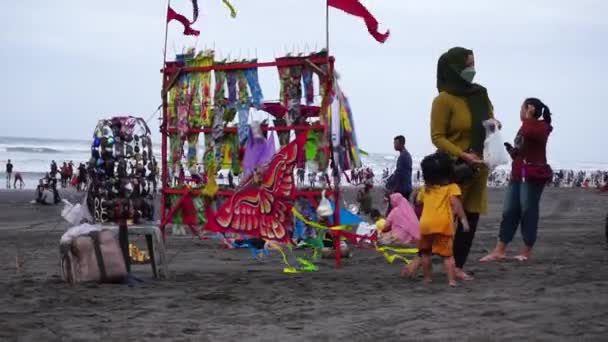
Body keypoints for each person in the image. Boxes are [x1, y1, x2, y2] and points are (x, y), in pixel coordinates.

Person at [430, 47, 498, 280]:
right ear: (455, 69)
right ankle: (429, 259)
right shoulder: (444, 99)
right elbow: (437, 136)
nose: (472, 69)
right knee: (446, 218)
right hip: (454, 167)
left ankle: (458, 266)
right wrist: (462, 154)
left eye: (473, 64)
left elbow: (490, 120)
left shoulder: (480, 93)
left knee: (471, 217)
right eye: (467, 65)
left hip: (479, 166)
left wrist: (494, 125)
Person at [480, 98, 553, 262]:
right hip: (517, 174)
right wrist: (512, 151)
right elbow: (523, 148)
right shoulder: (526, 125)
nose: (520, 111)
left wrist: (528, 118)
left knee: (528, 211)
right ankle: (500, 249)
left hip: (532, 176)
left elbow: (530, 134)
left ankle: (526, 251)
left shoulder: (542, 126)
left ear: (530, 109)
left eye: (522, 108)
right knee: (509, 211)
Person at [416, 152, 469, 286]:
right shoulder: (451, 188)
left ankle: (428, 278)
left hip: (426, 224)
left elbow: (419, 204)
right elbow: (456, 204)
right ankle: (451, 280)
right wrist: (463, 220)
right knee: (447, 255)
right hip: (443, 225)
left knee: (425, 254)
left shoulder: (424, 190)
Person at [385, 135, 413, 209]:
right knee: (403, 209)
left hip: (403, 189)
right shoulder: (406, 155)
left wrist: (389, 185)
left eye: (395, 143)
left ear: (401, 144)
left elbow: (399, 174)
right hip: (406, 187)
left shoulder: (403, 156)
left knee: (395, 209)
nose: (394, 145)